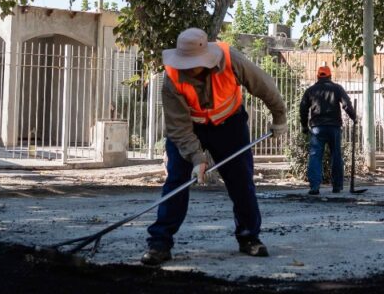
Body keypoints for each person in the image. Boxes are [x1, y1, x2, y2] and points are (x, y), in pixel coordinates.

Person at [142, 28, 289, 266]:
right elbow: (178, 128)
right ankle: (160, 243)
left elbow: (265, 86)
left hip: (229, 125)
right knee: (176, 182)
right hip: (189, 128)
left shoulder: (231, 59)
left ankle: (249, 237)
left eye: (192, 63)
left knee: (241, 180)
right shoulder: (172, 78)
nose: (187, 68)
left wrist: (279, 118)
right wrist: (197, 158)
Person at [299, 65, 358, 195]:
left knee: (315, 156)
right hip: (334, 128)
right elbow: (346, 105)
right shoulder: (336, 88)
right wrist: (354, 117)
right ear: (330, 76)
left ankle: (314, 187)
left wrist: (304, 126)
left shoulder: (311, 90)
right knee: (336, 156)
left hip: (317, 128)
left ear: (318, 76)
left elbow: (303, 108)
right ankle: (337, 186)